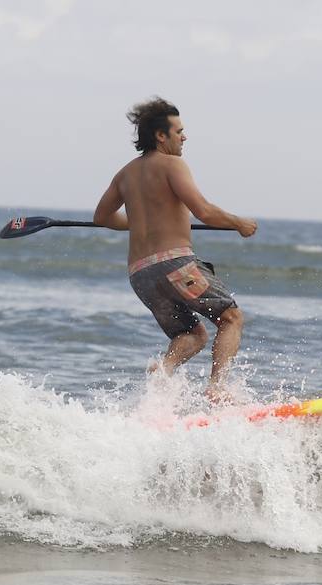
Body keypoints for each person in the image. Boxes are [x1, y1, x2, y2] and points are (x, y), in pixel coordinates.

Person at [92, 97, 257, 400]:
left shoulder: (125, 174)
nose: (184, 136)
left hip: (140, 275)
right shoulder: (172, 164)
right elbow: (204, 211)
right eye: (179, 131)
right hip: (176, 266)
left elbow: (101, 217)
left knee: (191, 336)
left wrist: (142, 222)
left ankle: (164, 371)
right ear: (160, 136)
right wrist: (238, 223)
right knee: (230, 318)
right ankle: (218, 390)